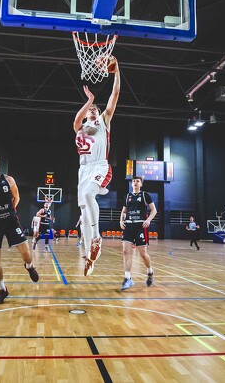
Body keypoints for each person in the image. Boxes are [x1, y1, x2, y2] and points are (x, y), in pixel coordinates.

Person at [74, 55, 121, 276]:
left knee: (89, 195)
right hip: (83, 171)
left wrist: (117, 70)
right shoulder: (80, 127)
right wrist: (89, 100)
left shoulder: (103, 121)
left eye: (95, 108)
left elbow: (115, 94)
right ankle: (89, 257)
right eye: (90, 109)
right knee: (84, 213)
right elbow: (76, 119)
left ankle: (96, 237)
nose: (93, 109)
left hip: (100, 166)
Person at [0, 152, 39, 304]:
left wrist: (11, 211)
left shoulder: (8, 179)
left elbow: (16, 197)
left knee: (26, 253)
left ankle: (29, 266)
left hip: (11, 221)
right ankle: (2, 290)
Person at [119, 176, 157, 290]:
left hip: (140, 226)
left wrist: (148, 220)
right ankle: (127, 278)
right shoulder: (127, 196)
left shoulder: (145, 195)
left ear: (141, 184)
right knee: (126, 251)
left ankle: (150, 271)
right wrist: (121, 220)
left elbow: (154, 210)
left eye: (138, 181)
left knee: (142, 254)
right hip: (129, 225)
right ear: (131, 184)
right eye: (134, 181)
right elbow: (124, 211)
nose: (135, 182)